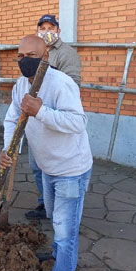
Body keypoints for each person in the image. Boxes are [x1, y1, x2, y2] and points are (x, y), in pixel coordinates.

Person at [0, 35, 92, 271]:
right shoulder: (21, 85)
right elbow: (12, 119)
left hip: (70, 170)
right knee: (56, 220)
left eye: (31, 56)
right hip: (47, 167)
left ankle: (63, 268)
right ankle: (57, 255)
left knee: (66, 231)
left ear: (46, 56)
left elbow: (78, 122)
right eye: (20, 56)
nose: (24, 61)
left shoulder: (61, 83)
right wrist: (9, 149)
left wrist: (41, 111)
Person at [25, 14, 83, 220]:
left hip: (56, 117)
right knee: (36, 166)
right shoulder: (34, 52)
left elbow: (74, 84)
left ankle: (60, 206)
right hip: (35, 119)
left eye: (51, 27)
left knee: (56, 169)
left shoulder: (67, 54)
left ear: (58, 31)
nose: (46, 31)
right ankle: (44, 203)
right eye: (43, 27)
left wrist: (50, 76)